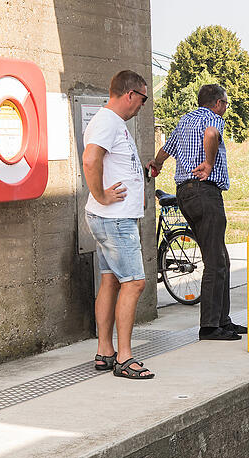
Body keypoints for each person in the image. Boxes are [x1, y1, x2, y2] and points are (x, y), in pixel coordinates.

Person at [148, 83, 245, 341]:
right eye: (225, 103)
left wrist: (157, 164)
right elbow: (211, 133)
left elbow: (166, 149)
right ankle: (210, 326)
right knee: (215, 261)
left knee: (221, 258)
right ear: (218, 103)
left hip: (185, 194)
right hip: (205, 193)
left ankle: (223, 320)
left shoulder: (185, 120)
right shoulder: (212, 119)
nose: (225, 108)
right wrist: (209, 163)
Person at [82, 70, 154, 380]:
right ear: (130, 94)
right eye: (143, 98)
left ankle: (105, 352)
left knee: (111, 280)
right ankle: (124, 358)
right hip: (115, 220)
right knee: (134, 283)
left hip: (113, 218)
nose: (142, 105)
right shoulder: (107, 121)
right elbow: (90, 159)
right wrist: (100, 195)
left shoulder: (111, 122)